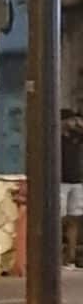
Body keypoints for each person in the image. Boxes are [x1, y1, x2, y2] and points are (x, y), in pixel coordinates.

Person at [61, 109, 83, 267]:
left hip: (76, 181)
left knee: (74, 218)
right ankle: (56, 256)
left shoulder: (77, 136)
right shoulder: (56, 138)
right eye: (71, 120)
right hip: (60, 182)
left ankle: (71, 256)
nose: (74, 123)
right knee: (60, 219)